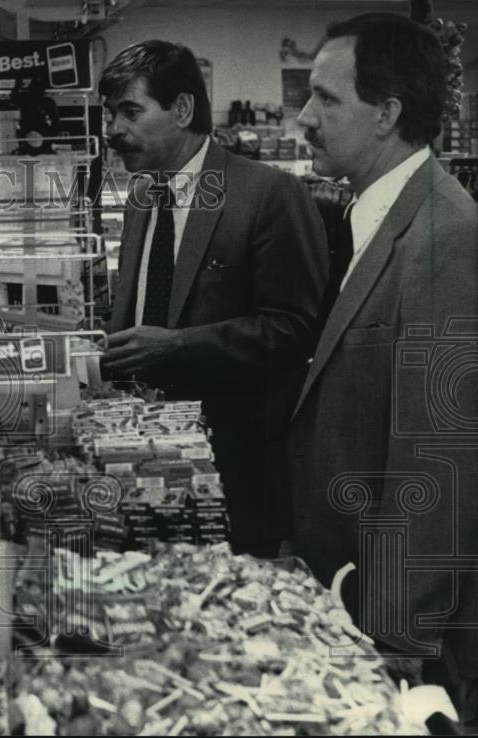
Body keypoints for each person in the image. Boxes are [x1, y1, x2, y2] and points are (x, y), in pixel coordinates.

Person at [289, 13, 478, 724]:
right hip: (348, 587)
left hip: (390, 626)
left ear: (387, 114)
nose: (305, 117)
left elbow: (441, 458)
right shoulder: (377, 216)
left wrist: (394, 642)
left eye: (326, 99)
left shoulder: (445, 238)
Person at [99, 40, 328, 557]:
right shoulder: (141, 197)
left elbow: (293, 331)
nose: (114, 129)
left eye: (130, 111)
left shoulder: (268, 194)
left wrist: (180, 346)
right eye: (110, 113)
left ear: (181, 110)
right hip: (143, 466)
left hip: (236, 474)